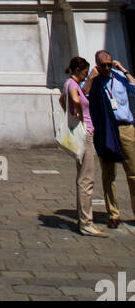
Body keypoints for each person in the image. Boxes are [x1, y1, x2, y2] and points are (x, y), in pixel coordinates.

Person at [85, 51, 135, 229]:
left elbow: (134, 89)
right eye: (103, 65)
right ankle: (113, 214)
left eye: (109, 64)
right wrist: (91, 77)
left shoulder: (120, 77)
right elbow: (84, 97)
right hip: (106, 130)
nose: (107, 68)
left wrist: (124, 70)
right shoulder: (95, 81)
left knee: (133, 173)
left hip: (125, 127)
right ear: (97, 65)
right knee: (109, 174)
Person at [61, 57, 107, 237]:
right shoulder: (73, 85)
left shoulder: (69, 83)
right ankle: (86, 223)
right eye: (85, 72)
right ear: (78, 71)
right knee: (86, 179)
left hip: (79, 133)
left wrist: (70, 114)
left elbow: (61, 100)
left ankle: (85, 220)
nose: (86, 75)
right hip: (85, 133)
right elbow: (76, 100)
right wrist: (79, 115)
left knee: (83, 177)